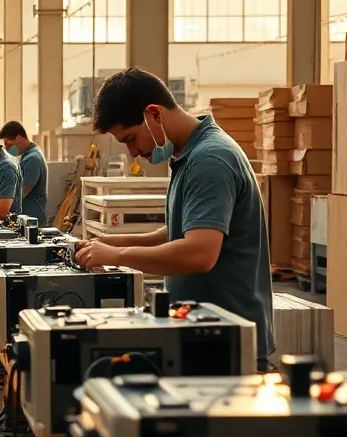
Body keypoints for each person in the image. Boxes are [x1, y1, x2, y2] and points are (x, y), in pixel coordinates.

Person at [75, 67, 274, 369]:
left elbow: (199, 253)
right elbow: (181, 230)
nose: (133, 153)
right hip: (203, 328)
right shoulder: (190, 154)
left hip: (226, 338)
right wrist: (111, 241)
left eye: (131, 139)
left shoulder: (209, 160)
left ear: (153, 114)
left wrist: (118, 254)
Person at [0, 121, 49, 224]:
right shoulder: (28, 153)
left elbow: (21, 193)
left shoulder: (32, 159)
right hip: (27, 218)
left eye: (9, 145)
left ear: (18, 139)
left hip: (33, 219)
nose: (7, 150)